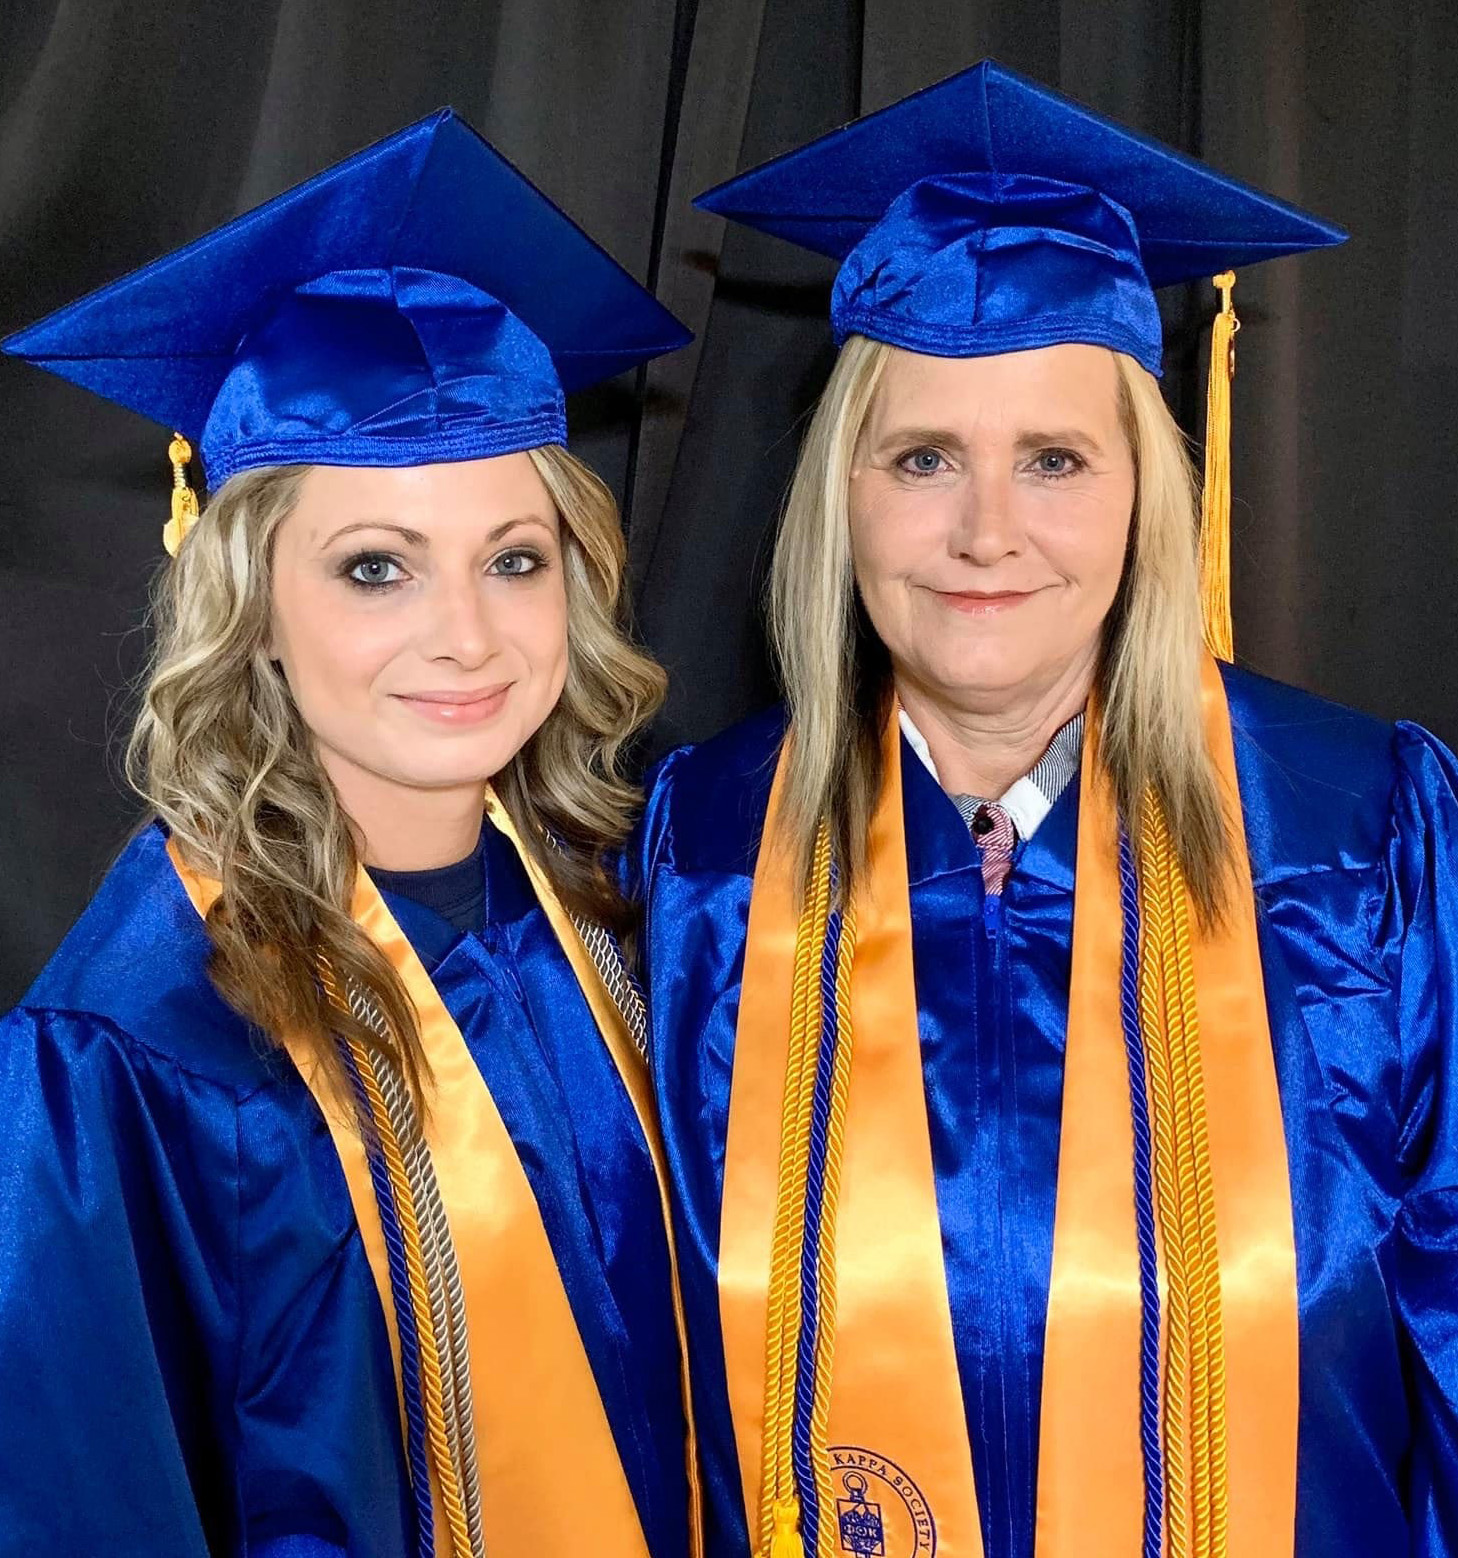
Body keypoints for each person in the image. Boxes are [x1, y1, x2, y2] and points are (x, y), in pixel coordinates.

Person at [634, 60, 1458, 1558]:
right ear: (841, 496)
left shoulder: (1361, 839)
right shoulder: (699, 853)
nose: (986, 532)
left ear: (1149, 493)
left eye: (1057, 460)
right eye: (923, 456)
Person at [0, 111, 700, 1558]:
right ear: (251, 606)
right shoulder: (130, 1049)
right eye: (375, 567)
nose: (465, 634)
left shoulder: (631, 916)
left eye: (514, 558)